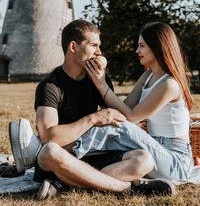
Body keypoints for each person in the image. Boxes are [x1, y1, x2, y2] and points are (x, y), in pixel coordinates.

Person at [9, 19, 175, 199]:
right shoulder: (50, 85)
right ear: (73, 47)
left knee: (145, 159)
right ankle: (128, 188)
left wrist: (103, 88)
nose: (99, 52)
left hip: (95, 155)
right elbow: (49, 137)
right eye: (94, 45)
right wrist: (94, 118)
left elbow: (118, 122)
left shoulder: (98, 80)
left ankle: (65, 184)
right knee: (48, 152)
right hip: (65, 157)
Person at [79, 21, 194, 182]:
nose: (137, 50)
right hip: (155, 149)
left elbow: (132, 118)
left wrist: (101, 84)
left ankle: (73, 149)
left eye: (142, 46)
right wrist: (100, 87)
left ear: (157, 47)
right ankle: (81, 167)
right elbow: (124, 109)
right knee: (115, 122)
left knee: (123, 128)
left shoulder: (169, 85)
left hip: (176, 161)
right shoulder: (147, 77)